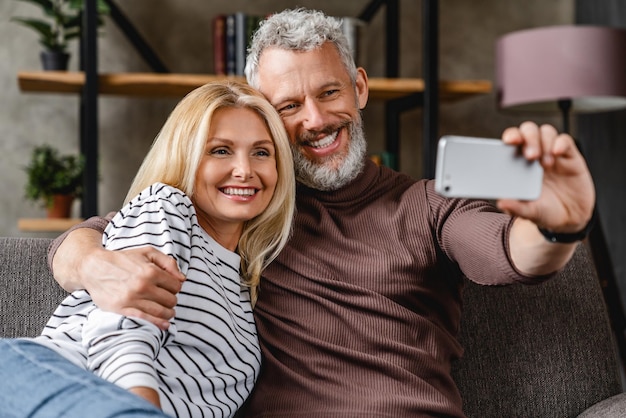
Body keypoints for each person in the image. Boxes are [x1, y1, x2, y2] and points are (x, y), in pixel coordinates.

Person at [47, 8, 596, 418]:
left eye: (329, 92)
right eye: (288, 106)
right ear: (263, 113)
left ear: (358, 89)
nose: (314, 120)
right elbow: (101, 234)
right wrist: (94, 266)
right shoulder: (244, 213)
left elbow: (510, 252)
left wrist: (557, 223)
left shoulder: (427, 204)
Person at [0, 81, 295, 417]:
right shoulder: (167, 208)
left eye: (261, 152)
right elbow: (119, 337)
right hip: (48, 383)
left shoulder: (246, 286)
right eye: (220, 150)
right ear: (186, 157)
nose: (244, 170)